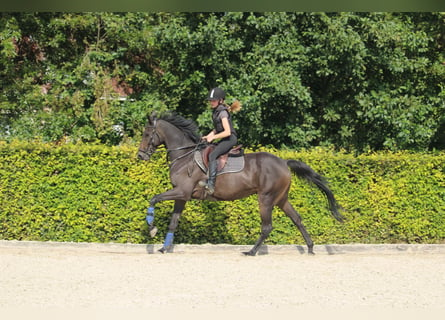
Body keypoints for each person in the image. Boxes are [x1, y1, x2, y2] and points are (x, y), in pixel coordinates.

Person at [201, 87, 241, 195]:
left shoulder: (223, 113)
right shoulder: (216, 112)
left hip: (230, 139)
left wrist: (213, 138)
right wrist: (208, 136)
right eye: (210, 100)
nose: (211, 102)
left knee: (212, 155)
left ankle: (211, 184)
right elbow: (217, 128)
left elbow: (227, 131)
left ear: (221, 101)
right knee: (207, 148)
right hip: (225, 138)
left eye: (213, 100)